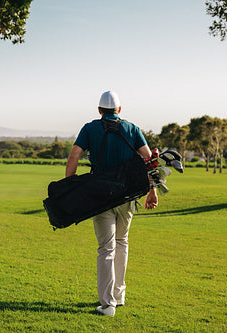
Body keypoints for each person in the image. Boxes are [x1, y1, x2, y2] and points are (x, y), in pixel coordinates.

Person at [65, 91, 158, 317]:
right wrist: (153, 191)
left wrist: (69, 187)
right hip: (127, 195)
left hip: (101, 196)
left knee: (106, 248)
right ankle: (119, 295)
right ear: (119, 110)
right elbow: (149, 160)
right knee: (122, 242)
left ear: (99, 111)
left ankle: (107, 305)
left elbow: (74, 157)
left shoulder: (89, 128)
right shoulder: (133, 129)